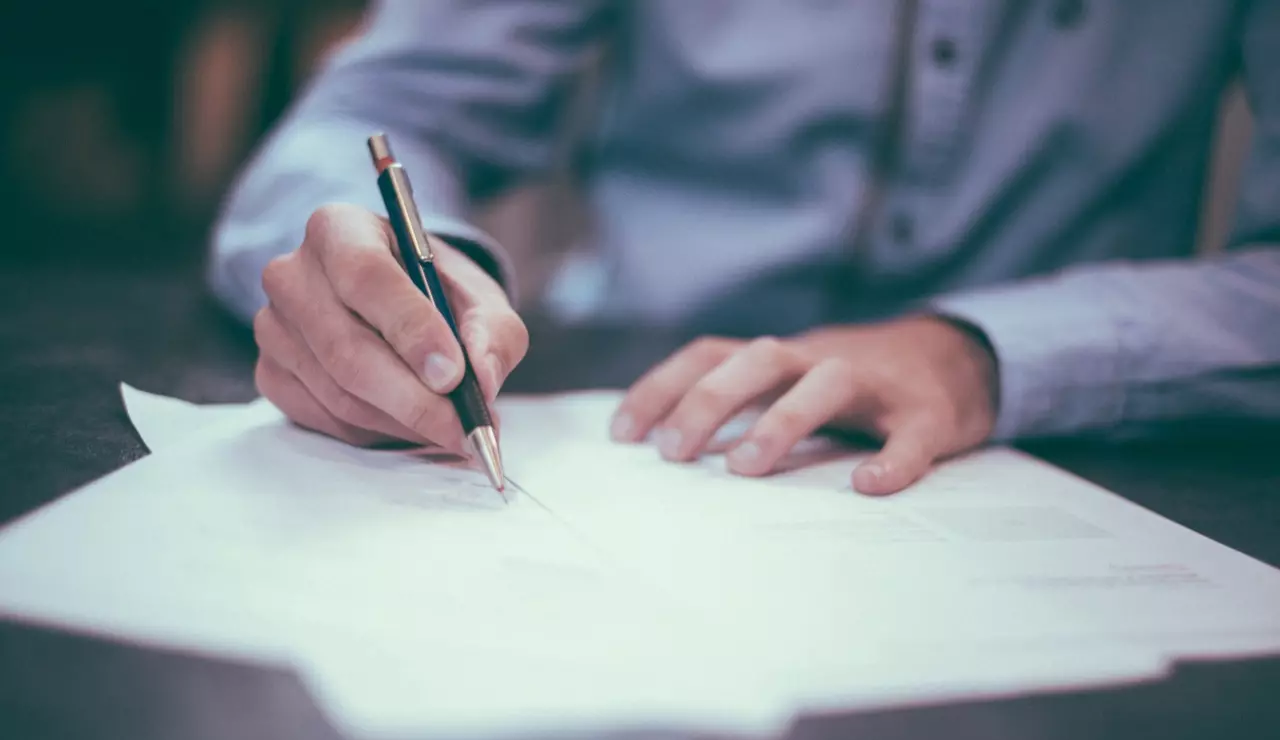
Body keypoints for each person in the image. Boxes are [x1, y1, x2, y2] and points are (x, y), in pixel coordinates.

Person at [210, 1, 1280, 495]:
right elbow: (377, 110)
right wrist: (392, 274)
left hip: (1088, 454)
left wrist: (982, 351)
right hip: (634, 415)